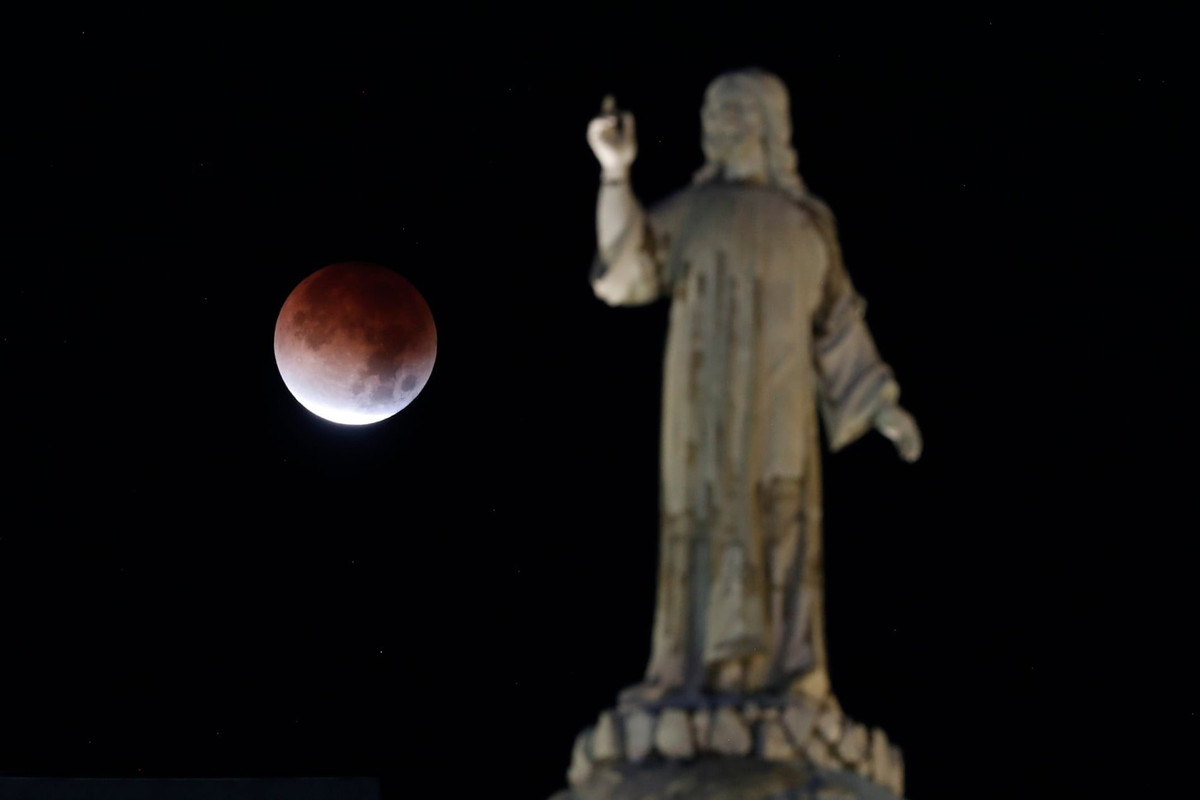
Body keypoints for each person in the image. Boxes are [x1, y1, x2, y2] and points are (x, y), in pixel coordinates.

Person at [586, 69, 922, 706]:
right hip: (703, 413)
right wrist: (614, 172)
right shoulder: (694, 211)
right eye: (714, 112)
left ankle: (789, 675)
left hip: (780, 409)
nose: (722, 124)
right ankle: (689, 674)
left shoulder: (806, 222)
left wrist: (883, 405)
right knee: (703, 520)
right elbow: (624, 269)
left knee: (784, 519)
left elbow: (838, 321)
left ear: (771, 125)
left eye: (738, 111)